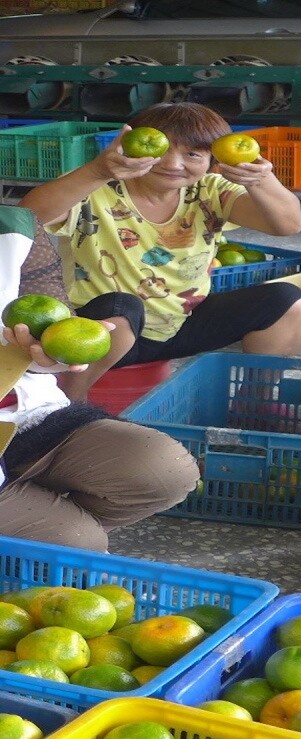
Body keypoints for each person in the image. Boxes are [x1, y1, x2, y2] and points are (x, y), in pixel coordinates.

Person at [19, 102, 301, 402]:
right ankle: (68, 407)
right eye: (162, 149)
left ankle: (257, 403)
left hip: (181, 322)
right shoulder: (96, 187)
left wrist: (261, 179)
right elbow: (27, 217)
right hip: (103, 332)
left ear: (214, 159)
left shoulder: (211, 190)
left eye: (192, 154)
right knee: (121, 308)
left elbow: (288, 225)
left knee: (287, 301)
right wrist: (97, 170)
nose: (173, 164)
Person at [0, 205, 200, 551]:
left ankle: (37, 524)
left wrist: (51, 357)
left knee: (163, 470)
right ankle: (46, 533)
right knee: (75, 543)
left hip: (26, 414)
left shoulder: (14, 229)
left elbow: (47, 321)